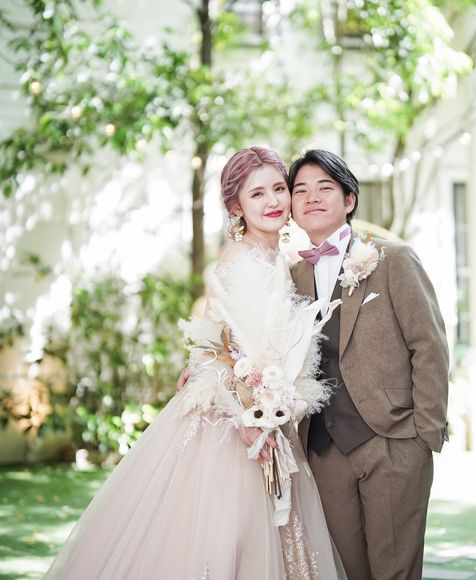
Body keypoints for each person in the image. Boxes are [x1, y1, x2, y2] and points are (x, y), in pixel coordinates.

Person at [45, 147, 345, 580]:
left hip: (268, 413)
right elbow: (213, 349)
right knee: (230, 535)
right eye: (257, 193)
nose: (273, 201)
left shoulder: (280, 257)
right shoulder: (239, 257)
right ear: (235, 206)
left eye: (279, 188)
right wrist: (248, 414)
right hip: (234, 421)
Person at [288, 149, 449, 580]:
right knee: (345, 570)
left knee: (394, 571)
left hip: (394, 441)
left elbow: (429, 345)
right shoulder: (293, 277)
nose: (312, 197)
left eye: (325, 187)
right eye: (300, 190)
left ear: (349, 199)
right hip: (323, 449)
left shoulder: (393, 259)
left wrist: (424, 435)